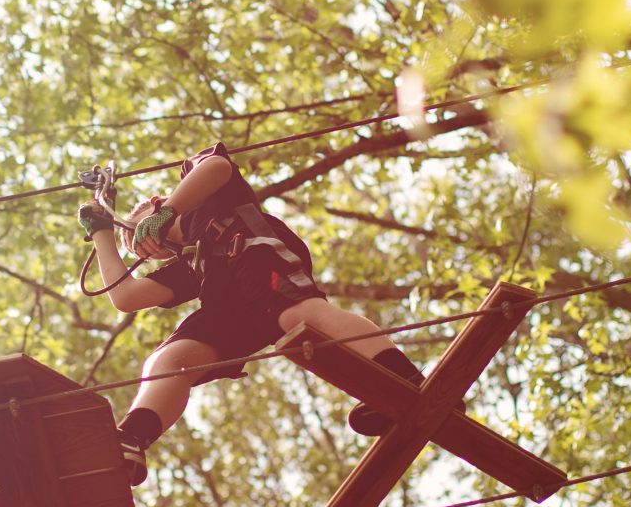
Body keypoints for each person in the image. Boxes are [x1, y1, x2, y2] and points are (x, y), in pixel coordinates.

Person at [83, 142, 425, 485]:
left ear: (156, 204)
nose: (142, 243)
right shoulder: (190, 264)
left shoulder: (208, 196)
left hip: (255, 254)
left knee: (299, 316)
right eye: (138, 247)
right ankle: (132, 436)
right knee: (171, 359)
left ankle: (402, 377)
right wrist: (103, 234)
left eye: (138, 228)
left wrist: (167, 210)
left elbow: (218, 166)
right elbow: (126, 296)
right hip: (227, 303)